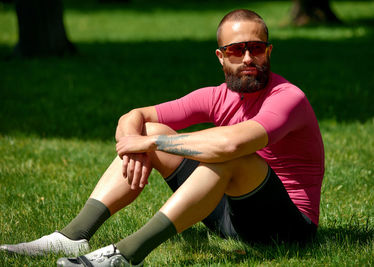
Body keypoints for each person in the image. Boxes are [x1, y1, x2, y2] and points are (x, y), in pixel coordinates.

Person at [0, 9, 324, 266]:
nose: (248, 58)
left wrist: (152, 144)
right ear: (221, 57)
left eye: (256, 48)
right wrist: (134, 142)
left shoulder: (287, 97)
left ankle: (126, 254)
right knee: (149, 129)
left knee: (228, 155)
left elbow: (232, 144)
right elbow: (135, 117)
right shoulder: (216, 96)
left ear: (269, 51)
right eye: (237, 50)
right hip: (230, 216)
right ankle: (74, 235)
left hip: (287, 227)